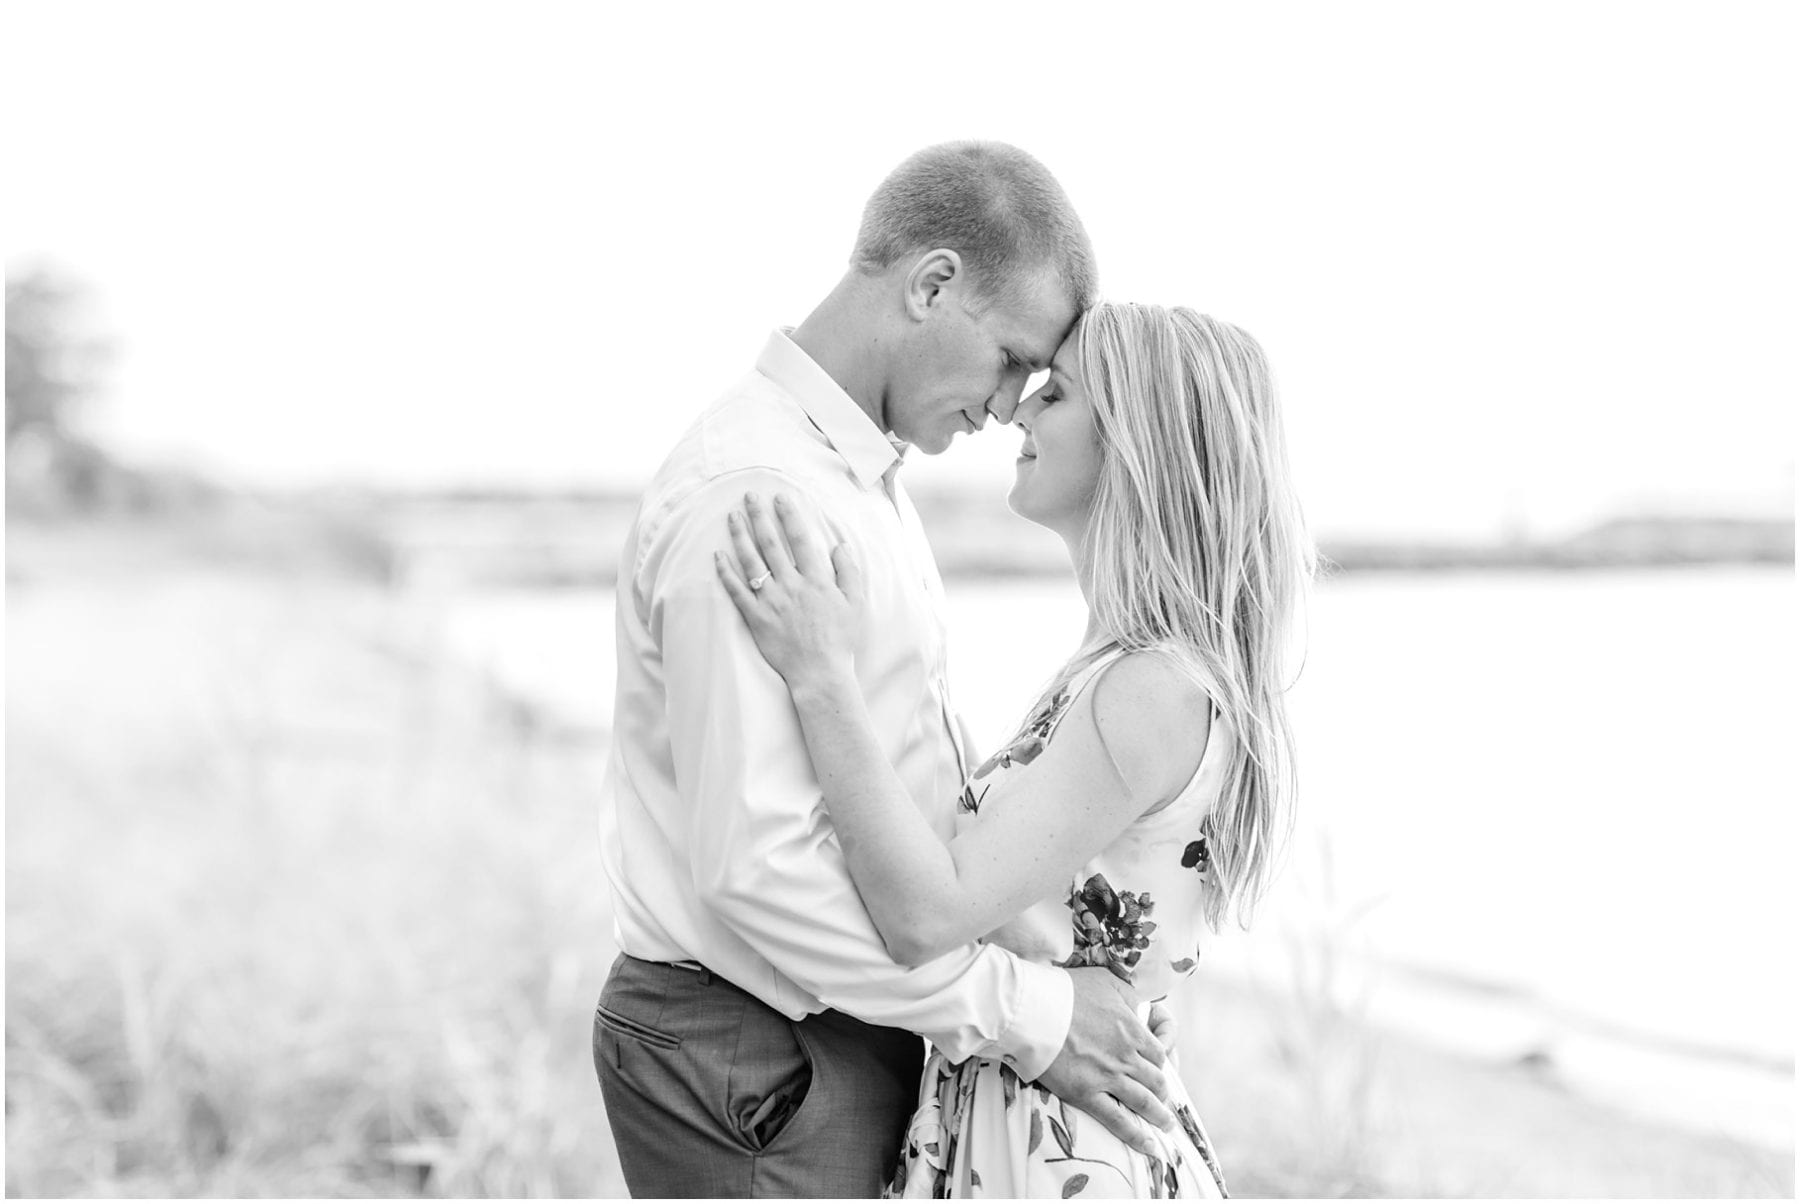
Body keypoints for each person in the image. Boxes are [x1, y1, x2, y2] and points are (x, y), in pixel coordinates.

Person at [594, 143, 1180, 1199]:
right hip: (759, 1050)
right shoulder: (760, 493)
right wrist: (1025, 1015)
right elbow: (761, 867)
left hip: (819, 1033)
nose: (1009, 405)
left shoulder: (858, 474)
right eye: (1008, 356)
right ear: (933, 285)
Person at [715, 302, 1314, 1197]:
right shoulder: (1120, 669)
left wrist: (820, 674)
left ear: (1136, 444)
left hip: (1061, 1150)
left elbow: (927, 913)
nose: (1019, 412)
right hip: (1030, 1123)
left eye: (1057, 393)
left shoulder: (1149, 688)